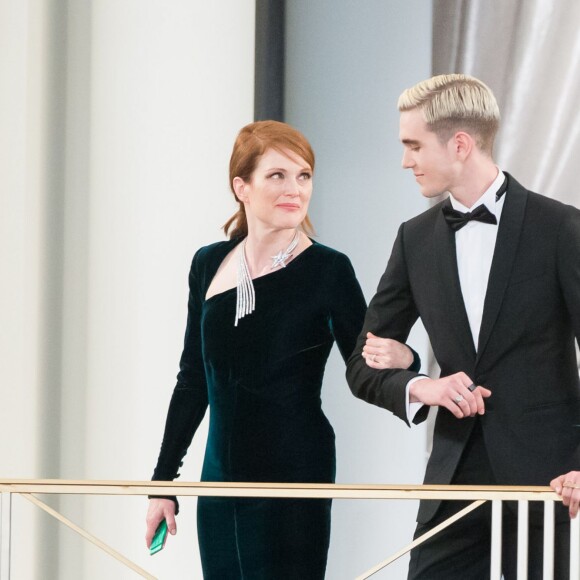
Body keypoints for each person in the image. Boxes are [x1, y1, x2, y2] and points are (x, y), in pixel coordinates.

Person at [145, 120, 419, 579]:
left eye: (304, 175)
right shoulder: (207, 263)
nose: (295, 189)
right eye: (277, 175)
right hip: (219, 484)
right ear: (242, 187)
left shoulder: (328, 269)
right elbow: (192, 379)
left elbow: (366, 363)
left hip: (296, 479)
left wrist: (408, 361)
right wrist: (162, 483)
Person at [346, 74, 580, 579]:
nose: (405, 161)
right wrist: (422, 386)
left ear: (460, 144)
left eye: (413, 145)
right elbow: (359, 367)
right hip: (451, 481)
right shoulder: (414, 239)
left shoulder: (560, 227)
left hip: (546, 484)